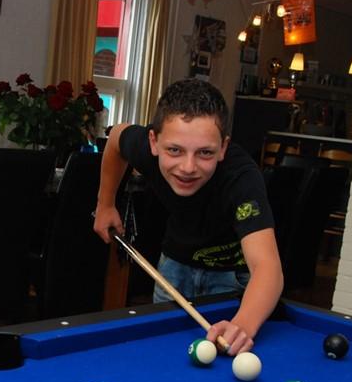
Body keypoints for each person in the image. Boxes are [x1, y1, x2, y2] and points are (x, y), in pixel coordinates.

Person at [93, 79, 282, 355]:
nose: (188, 167)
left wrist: (241, 325)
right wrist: (105, 204)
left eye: (205, 152)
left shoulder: (241, 179)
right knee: (162, 357)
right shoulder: (143, 148)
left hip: (231, 282)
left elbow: (268, 268)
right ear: (154, 142)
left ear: (223, 148)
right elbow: (115, 139)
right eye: (175, 150)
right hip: (172, 268)